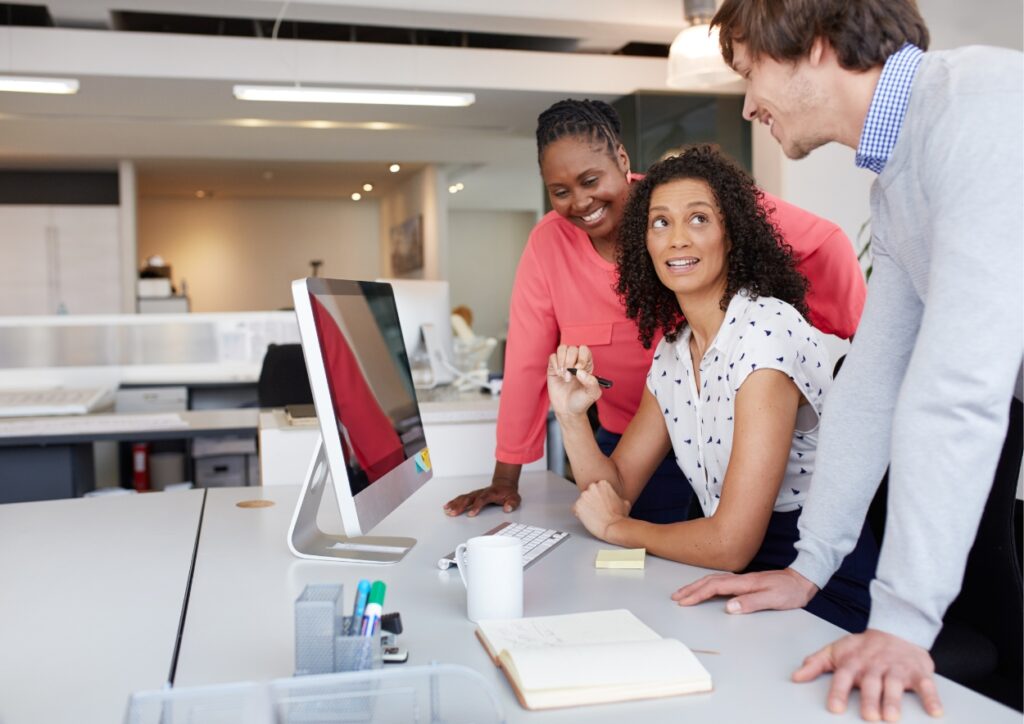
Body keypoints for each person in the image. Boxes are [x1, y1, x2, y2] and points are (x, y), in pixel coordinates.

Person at [672, 1, 1023, 720]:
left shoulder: (979, 107)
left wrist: (899, 622)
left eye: (751, 72)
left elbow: (955, 388)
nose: (747, 106)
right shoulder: (899, 182)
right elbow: (872, 384)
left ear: (817, 44)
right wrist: (811, 565)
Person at [443, 99, 867, 524]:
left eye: (591, 180)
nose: (581, 201)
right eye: (560, 192)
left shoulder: (679, 204)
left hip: (728, 440)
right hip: (632, 445)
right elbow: (525, 362)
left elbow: (823, 242)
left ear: (622, 160)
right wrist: (505, 477)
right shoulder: (550, 247)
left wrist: (861, 343)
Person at [549, 147, 877, 632]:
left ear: (733, 234)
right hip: (733, 567)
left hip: (817, 578)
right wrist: (573, 417)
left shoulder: (767, 332)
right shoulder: (675, 350)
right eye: (660, 223)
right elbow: (615, 491)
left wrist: (619, 529)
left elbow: (731, 541)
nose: (677, 239)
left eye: (698, 219)